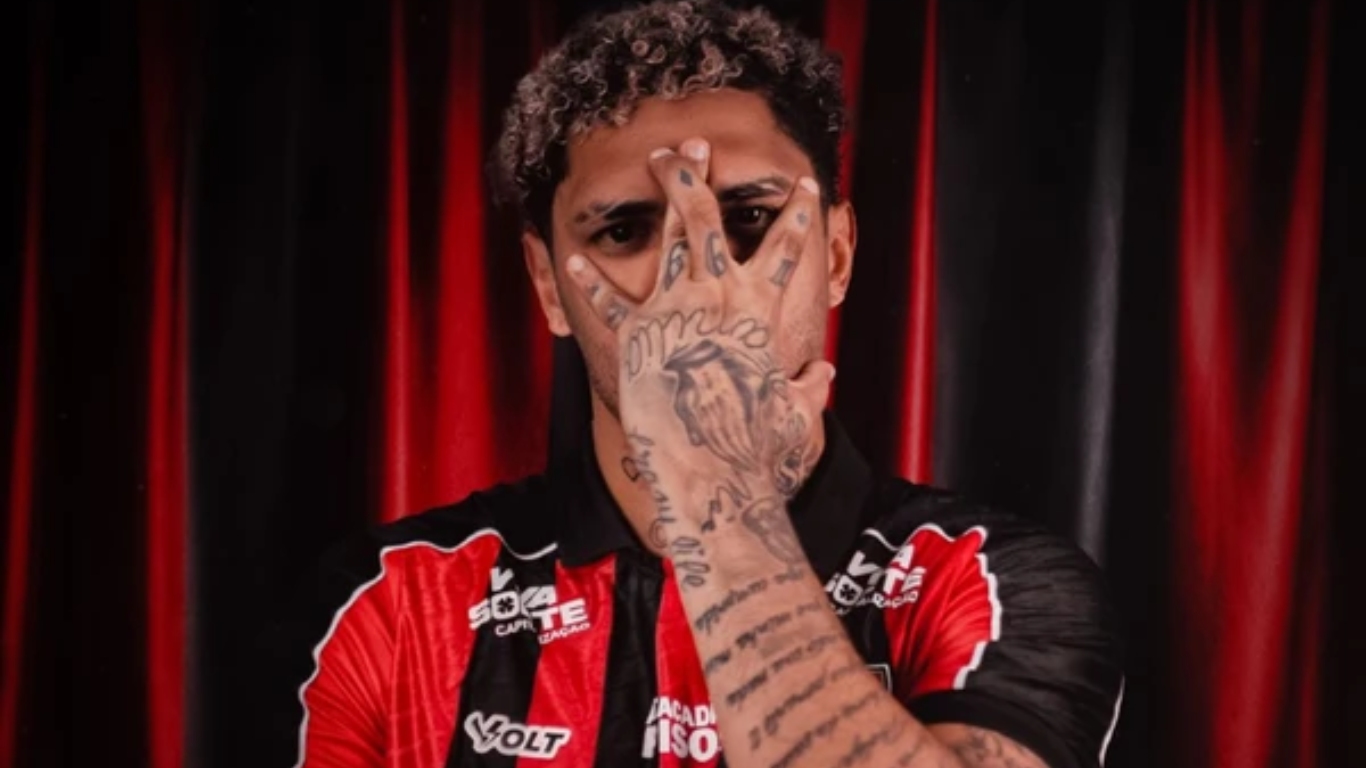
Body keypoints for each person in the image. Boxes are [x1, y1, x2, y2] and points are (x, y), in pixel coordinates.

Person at [257, 2, 1125, 766]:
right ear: (550, 286)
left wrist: (714, 479)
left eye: (748, 218)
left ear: (837, 254)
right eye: (625, 230)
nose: (695, 279)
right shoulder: (388, 605)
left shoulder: (992, 581)